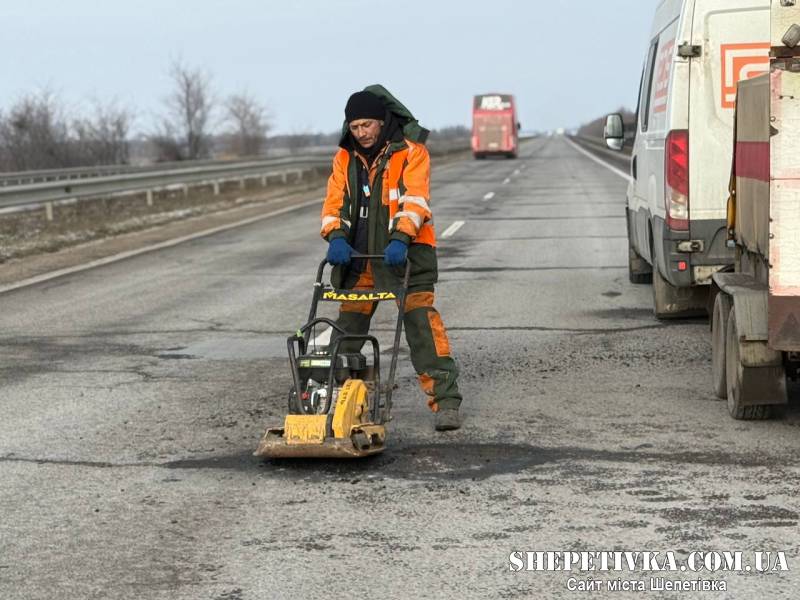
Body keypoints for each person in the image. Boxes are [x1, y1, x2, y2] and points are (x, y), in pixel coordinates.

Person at [320, 85, 463, 431]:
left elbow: (415, 200)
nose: (361, 133)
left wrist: (400, 239)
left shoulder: (411, 152)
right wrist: (336, 236)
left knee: (421, 329)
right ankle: (341, 399)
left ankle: (446, 402)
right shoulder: (344, 158)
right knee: (347, 331)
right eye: (355, 128)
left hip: (406, 259)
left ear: (382, 122)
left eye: (367, 125)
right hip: (359, 262)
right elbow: (333, 204)